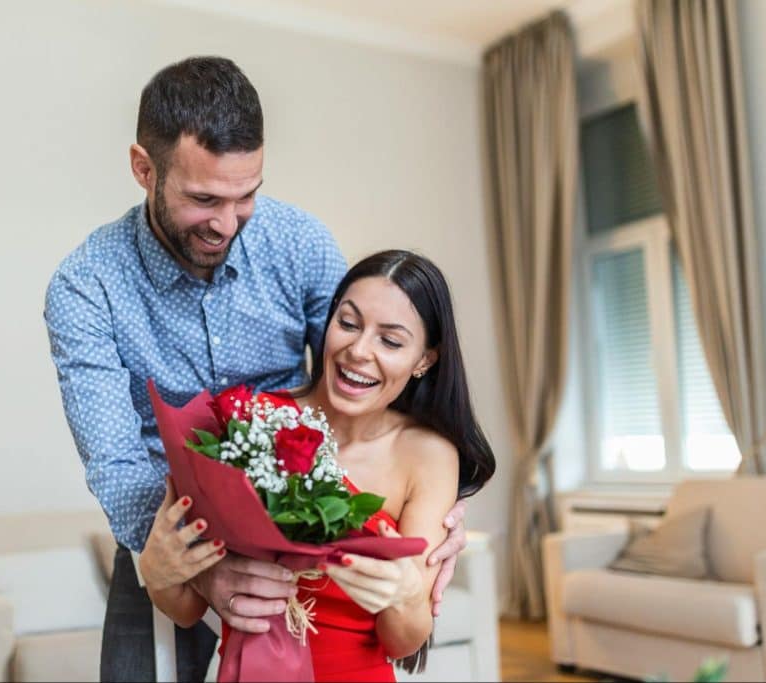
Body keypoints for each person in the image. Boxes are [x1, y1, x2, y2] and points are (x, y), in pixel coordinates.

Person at [44, 56, 470, 683]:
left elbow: (367, 368)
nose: (227, 222)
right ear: (144, 168)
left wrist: (428, 526)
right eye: (203, 198)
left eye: (247, 195)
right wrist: (197, 572)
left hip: (301, 541)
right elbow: (117, 463)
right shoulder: (87, 287)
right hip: (170, 534)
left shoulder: (297, 242)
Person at [138, 250, 496, 681]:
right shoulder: (254, 420)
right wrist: (158, 572)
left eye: (391, 341)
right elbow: (186, 608)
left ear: (425, 360)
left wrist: (405, 596)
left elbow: (404, 641)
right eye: (348, 323)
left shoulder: (428, 454)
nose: (359, 350)